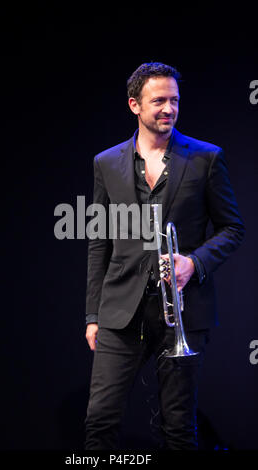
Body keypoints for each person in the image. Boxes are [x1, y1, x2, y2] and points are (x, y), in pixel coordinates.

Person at [84, 62, 245, 450]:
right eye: (159, 101)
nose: (169, 109)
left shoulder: (206, 158)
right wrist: (92, 316)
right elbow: (99, 241)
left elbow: (232, 228)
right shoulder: (106, 163)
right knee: (99, 422)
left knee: (179, 426)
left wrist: (195, 262)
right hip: (121, 310)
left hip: (184, 312)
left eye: (174, 100)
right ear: (134, 105)